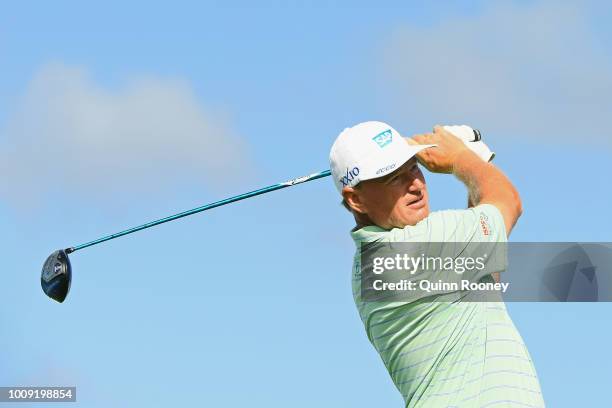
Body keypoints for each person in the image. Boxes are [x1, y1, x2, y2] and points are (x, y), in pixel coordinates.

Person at [330, 121, 544, 407]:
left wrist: (473, 164)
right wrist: (460, 158)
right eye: (393, 178)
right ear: (356, 199)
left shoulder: (374, 261)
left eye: (413, 167)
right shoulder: (411, 248)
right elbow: (508, 201)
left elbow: (483, 284)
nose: (415, 185)